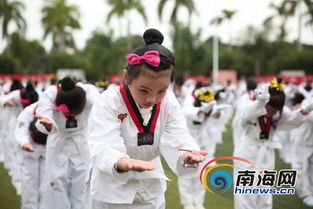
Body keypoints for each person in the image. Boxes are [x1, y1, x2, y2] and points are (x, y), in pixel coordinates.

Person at [86, 29, 207, 209]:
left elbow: (178, 135)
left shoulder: (169, 101)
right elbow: (103, 143)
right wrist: (121, 161)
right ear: (126, 77)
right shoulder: (108, 102)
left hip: (150, 188)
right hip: (111, 190)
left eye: (161, 90)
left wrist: (185, 154)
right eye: (144, 90)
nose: (151, 99)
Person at [233, 78, 313, 209]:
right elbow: (246, 115)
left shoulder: (280, 112)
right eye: (269, 109)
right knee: (246, 193)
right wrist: (260, 103)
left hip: (267, 152)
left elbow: (293, 120)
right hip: (247, 152)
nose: (271, 114)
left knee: (265, 193)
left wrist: (306, 109)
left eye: (275, 110)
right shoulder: (250, 106)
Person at [35, 77, 99, 209]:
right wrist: (47, 125)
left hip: (81, 141)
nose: (71, 115)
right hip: (58, 140)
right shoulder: (50, 93)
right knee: (56, 181)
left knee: (83, 182)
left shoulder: (89, 92)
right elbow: (43, 114)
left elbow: (102, 104)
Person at [15, 94, 47, 209]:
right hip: (30, 150)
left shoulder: (53, 110)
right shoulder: (28, 111)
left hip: (48, 150)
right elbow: (20, 129)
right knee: (29, 183)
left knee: (46, 185)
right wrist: (24, 143)